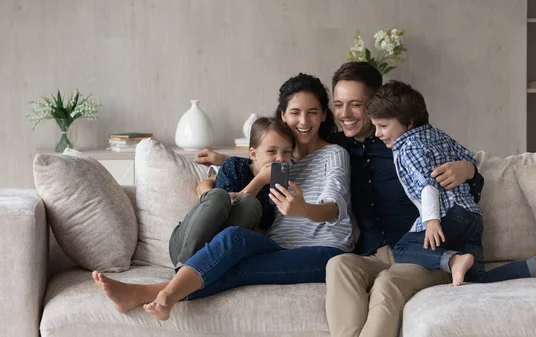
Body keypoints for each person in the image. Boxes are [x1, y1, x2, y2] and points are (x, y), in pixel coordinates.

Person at [195, 63, 483, 337]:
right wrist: (225, 163)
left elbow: (462, 186)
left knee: (387, 284)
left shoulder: (406, 143)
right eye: (338, 104)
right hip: (372, 254)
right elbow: (275, 154)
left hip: (422, 250)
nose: (345, 113)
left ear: (375, 105)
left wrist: (468, 169)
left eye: (356, 105)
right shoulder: (338, 147)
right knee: (339, 266)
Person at [92, 73, 354, 321]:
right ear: (283, 116)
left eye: (312, 112)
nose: (304, 121)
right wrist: (221, 163)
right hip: (277, 246)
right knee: (232, 237)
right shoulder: (283, 157)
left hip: (324, 252)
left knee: (235, 268)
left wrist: (304, 209)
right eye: (295, 113)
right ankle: (153, 293)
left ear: (323, 116)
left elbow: (333, 208)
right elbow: (252, 166)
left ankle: (153, 294)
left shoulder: (334, 155)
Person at [366, 80, 536, 288]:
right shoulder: (436, 135)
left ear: (409, 122)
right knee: (478, 278)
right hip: (472, 217)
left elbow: (426, 186)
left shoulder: (408, 147)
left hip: (448, 216)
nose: (377, 133)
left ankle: (453, 260)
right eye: (375, 126)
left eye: (383, 126)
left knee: (402, 249)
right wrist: (466, 168)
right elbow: (468, 157)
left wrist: (431, 222)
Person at [168, 117, 294, 267]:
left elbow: (259, 229)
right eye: (271, 151)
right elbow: (223, 203)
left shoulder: (279, 186)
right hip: (184, 244)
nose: (280, 158)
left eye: (287, 151)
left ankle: (207, 268)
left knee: (251, 205)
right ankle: (183, 267)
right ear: (253, 154)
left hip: (217, 256)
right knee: (222, 196)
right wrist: (260, 180)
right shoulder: (234, 166)